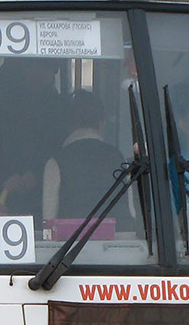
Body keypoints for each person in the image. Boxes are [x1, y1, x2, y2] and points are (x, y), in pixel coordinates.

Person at [42, 89, 129, 229]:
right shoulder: (118, 157)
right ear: (101, 123)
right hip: (123, 247)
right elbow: (131, 212)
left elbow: (49, 224)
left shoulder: (56, 162)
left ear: (68, 123)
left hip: (72, 248)